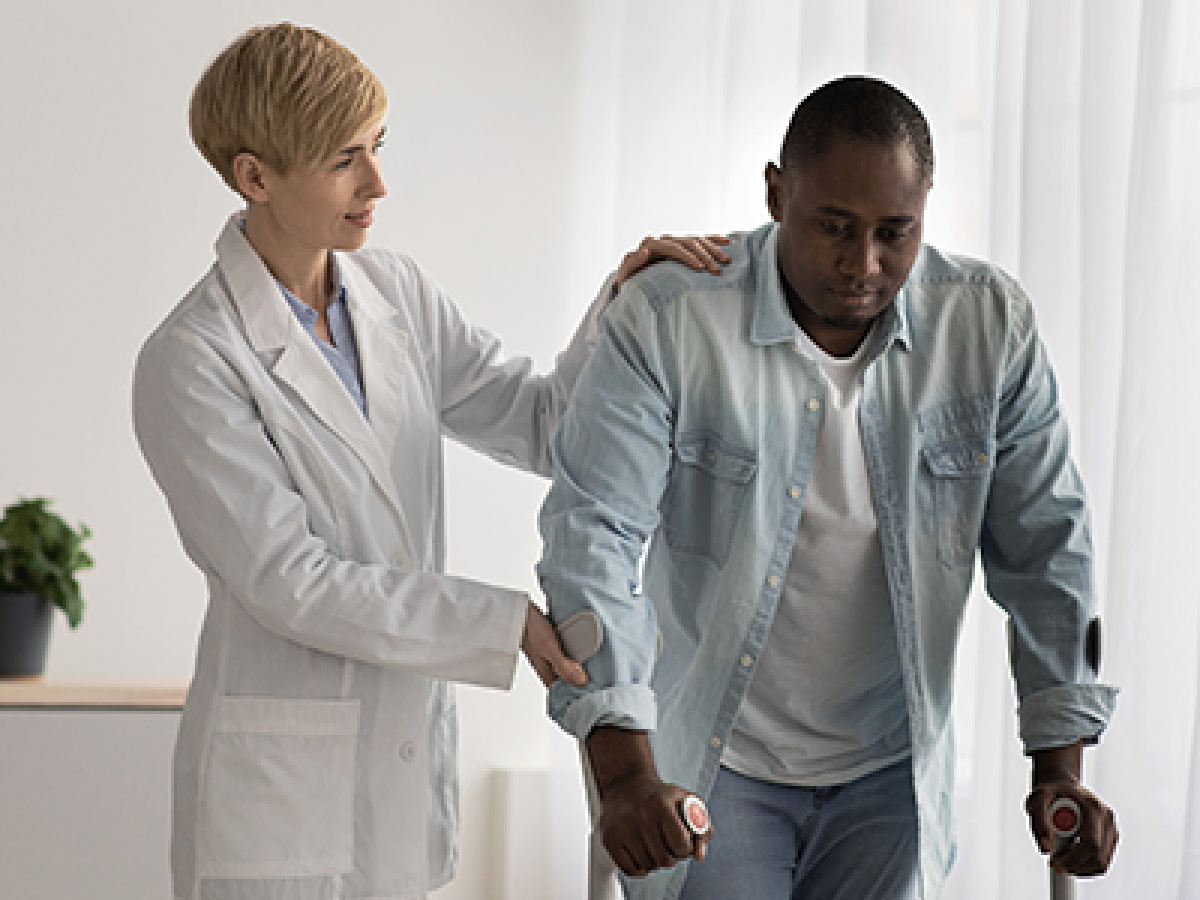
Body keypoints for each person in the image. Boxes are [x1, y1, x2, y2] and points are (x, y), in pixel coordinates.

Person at [132, 23, 729, 900]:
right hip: (278, 810)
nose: (378, 183)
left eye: (376, 147)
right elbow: (291, 582)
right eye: (344, 160)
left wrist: (624, 302)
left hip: (400, 777)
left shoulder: (394, 294)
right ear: (254, 175)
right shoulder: (192, 358)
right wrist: (505, 622)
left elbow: (541, 423)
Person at [537, 75, 1119, 900]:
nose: (864, 264)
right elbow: (592, 534)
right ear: (777, 193)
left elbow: (1048, 546)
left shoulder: (987, 326)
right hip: (715, 760)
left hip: (890, 770)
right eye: (834, 227)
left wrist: (1060, 770)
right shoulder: (670, 316)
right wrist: (624, 769)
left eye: (895, 232)